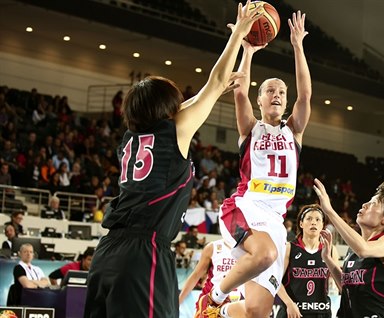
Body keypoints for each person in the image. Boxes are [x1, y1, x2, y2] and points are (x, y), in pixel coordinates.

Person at [83, 4, 265, 317]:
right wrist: (238, 33)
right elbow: (215, 81)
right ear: (168, 108)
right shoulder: (174, 133)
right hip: (143, 254)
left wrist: (220, 85)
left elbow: (202, 97)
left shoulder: (130, 137)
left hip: (106, 254)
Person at [198, 9, 312, 318]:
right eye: (269, 91)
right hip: (246, 207)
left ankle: (219, 315)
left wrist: (298, 47)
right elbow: (238, 93)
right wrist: (247, 52)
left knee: (256, 313)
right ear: (259, 100)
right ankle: (212, 301)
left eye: (281, 91)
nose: (276, 94)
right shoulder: (250, 129)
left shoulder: (294, 130)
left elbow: (305, 95)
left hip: (275, 221)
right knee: (265, 254)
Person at [313, 178, 384, 318]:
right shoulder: (353, 249)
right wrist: (327, 259)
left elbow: (363, 250)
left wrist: (330, 211)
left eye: (373, 204)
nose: (365, 205)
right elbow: (346, 287)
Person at [277, 204, 339, 318]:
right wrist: (289, 303)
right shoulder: (289, 248)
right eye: (309, 219)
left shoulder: (331, 250)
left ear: (322, 225)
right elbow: (275, 279)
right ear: (301, 224)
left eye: (317, 219)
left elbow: (341, 283)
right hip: (292, 313)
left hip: (321, 312)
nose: (313, 222)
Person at [180, 240, 244, 316]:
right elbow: (196, 275)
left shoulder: (249, 248)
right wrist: (179, 301)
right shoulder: (212, 247)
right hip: (211, 301)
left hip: (237, 301)